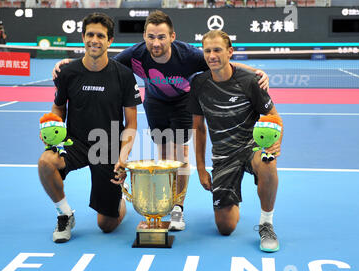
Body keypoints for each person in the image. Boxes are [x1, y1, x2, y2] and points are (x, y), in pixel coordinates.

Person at [52, 10, 270, 232]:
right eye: (151, 37)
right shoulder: (135, 55)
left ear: (172, 37)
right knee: (165, 154)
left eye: (161, 37)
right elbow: (101, 64)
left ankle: (178, 207)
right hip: (155, 103)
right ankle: (167, 197)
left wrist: (255, 72)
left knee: (181, 153)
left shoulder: (188, 55)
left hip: (183, 103)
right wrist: (72, 64)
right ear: (144, 36)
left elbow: (223, 63)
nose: (156, 42)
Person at [38, 12, 141, 243]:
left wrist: (123, 156)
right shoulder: (67, 73)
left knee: (107, 225)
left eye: (101, 36)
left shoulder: (124, 76)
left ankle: (118, 201)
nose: (95, 40)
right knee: (46, 162)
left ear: (110, 40)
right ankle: (64, 214)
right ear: (83, 37)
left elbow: (132, 124)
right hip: (75, 142)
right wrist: (53, 133)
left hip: (107, 147)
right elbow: (58, 109)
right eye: (90, 34)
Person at [188, 30, 282, 252]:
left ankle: (266, 224)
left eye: (217, 50)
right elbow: (198, 128)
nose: (212, 55)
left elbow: (274, 117)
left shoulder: (249, 82)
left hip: (251, 148)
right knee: (225, 227)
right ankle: (231, 197)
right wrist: (201, 168)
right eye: (208, 51)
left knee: (268, 162)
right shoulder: (199, 84)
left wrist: (277, 142)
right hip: (223, 156)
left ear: (230, 52)